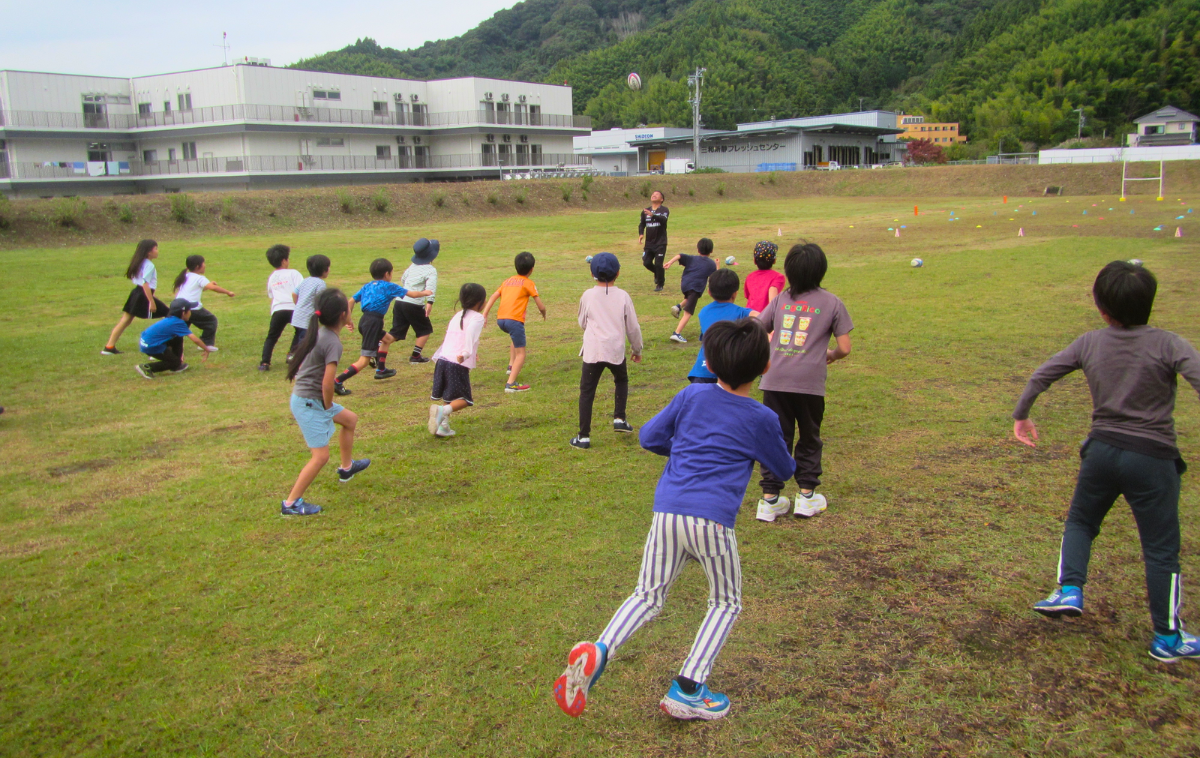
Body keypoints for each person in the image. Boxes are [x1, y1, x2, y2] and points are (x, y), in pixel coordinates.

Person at [553, 318, 795, 721]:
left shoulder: (691, 396)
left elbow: (649, 436)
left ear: (711, 365)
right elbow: (783, 469)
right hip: (712, 521)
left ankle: (600, 649)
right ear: (764, 368)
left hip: (667, 511)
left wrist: (685, 451)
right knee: (726, 602)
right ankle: (688, 688)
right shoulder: (761, 418)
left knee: (647, 594)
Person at [1014, 261, 1200, 662]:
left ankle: (1069, 588)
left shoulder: (1090, 342)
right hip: (1152, 459)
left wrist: (1022, 414)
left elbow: (1041, 375)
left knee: (1082, 520)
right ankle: (1167, 638)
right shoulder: (1170, 344)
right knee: (1161, 549)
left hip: (1100, 452)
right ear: (1150, 303)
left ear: (1101, 308)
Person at [755, 242, 853, 522]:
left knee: (777, 438)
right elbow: (845, 348)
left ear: (789, 271)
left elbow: (759, 327)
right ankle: (807, 497)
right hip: (809, 384)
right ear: (820, 271)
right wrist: (830, 355)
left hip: (774, 381)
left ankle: (769, 499)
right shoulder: (832, 302)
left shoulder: (782, 300)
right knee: (809, 436)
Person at [282, 288, 371, 516]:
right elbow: (327, 383)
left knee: (350, 420)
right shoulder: (332, 342)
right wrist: (328, 407)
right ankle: (291, 504)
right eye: (349, 308)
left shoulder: (320, 333)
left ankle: (346, 468)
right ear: (343, 315)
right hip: (311, 402)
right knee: (320, 456)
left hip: (311, 399)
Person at [571, 253, 643, 450]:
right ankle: (619, 417)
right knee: (621, 380)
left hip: (593, 350)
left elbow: (582, 322)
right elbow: (633, 327)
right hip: (615, 349)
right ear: (618, 273)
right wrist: (636, 349)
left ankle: (583, 436)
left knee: (587, 391)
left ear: (592, 273)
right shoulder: (623, 296)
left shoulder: (588, 295)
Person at [333, 258, 431, 394]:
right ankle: (337, 381)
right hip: (373, 323)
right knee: (364, 361)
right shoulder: (389, 286)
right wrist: (425, 293)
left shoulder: (367, 286)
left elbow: (351, 301)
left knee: (387, 339)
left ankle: (381, 369)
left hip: (365, 320)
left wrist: (348, 320)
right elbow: (412, 294)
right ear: (387, 274)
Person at [428, 283, 487, 438]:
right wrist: (467, 353)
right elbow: (469, 336)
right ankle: (442, 412)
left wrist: (472, 353)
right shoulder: (478, 317)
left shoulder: (458, 315)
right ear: (479, 302)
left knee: (449, 397)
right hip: (456, 363)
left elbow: (453, 337)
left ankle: (443, 426)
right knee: (465, 400)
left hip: (443, 360)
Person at [482, 252, 546, 393]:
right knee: (521, 353)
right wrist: (544, 313)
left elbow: (494, 296)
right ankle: (511, 384)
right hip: (514, 321)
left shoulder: (508, 281)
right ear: (532, 269)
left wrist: (485, 313)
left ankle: (511, 366)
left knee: (514, 338)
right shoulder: (529, 283)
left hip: (501, 320)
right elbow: (540, 305)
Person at [688, 269, 753, 385]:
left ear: (709, 292)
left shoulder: (704, 312)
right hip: (727, 373)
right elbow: (761, 317)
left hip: (701, 372)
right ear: (735, 293)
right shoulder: (741, 313)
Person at [103, 239, 167, 355]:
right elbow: (145, 284)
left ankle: (109, 347)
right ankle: (161, 347)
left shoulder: (139, 262)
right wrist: (151, 301)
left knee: (125, 320)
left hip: (136, 293)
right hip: (143, 295)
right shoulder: (149, 265)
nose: (158, 251)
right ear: (149, 252)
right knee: (170, 314)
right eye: (156, 249)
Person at [382, 237, 440, 365]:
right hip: (414, 304)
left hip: (400, 301)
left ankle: (379, 345)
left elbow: (403, 279)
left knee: (396, 331)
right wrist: (430, 302)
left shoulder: (412, 266)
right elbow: (431, 288)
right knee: (425, 330)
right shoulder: (430, 270)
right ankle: (415, 356)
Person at [134, 298, 213, 379]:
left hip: (148, 342)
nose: (190, 313)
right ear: (183, 313)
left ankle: (176, 366)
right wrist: (206, 349)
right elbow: (195, 339)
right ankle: (147, 367)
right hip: (151, 346)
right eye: (189, 310)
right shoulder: (178, 323)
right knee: (174, 362)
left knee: (178, 337)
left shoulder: (172, 319)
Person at [173, 255, 235, 350]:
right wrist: (228, 292)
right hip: (192, 308)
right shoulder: (199, 278)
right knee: (211, 321)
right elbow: (213, 288)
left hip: (178, 307)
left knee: (177, 329)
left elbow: (196, 289)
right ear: (198, 266)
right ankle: (206, 344)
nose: (205, 265)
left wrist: (209, 284)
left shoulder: (185, 276)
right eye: (203, 263)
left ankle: (165, 348)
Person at [258, 244, 304, 371]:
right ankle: (292, 354)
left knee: (272, 336)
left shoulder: (272, 276)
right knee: (300, 331)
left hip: (278, 309)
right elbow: (300, 290)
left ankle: (265, 363)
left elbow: (271, 294)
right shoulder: (294, 273)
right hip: (294, 308)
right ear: (284, 260)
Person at [664, 237, 719, 343]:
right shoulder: (711, 264)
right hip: (696, 287)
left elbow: (679, 255)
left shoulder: (692, 258)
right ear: (711, 251)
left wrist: (670, 263)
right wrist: (717, 265)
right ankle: (677, 333)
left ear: (698, 249)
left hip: (685, 284)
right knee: (688, 312)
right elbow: (716, 277)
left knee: (690, 297)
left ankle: (678, 307)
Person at [291, 254, 332, 344]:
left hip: (297, 317)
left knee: (297, 340)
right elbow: (320, 300)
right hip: (307, 320)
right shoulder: (320, 284)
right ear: (324, 270)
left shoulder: (306, 280)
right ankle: (301, 357)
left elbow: (294, 293)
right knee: (305, 343)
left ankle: (292, 357)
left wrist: (299, 305)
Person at [638, 190, 669, 291]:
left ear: (661, 199)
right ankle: (657, 273)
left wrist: (653, 215)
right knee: (646, 262)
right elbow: (642, 224)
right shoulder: (645, 211)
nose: (654, 195)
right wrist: (641, 234)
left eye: (657, 195)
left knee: (659, 264)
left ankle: (660, 284)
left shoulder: (664, 210)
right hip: (649, 243)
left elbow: (663, 220)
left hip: (660, 242)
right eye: (653, 194)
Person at [744, 241, 785, 313]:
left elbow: (748, 297)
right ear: (774, 261)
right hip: (765, 317)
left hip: (749, 317)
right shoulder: (778, 277)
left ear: (754, 260)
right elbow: (772, 302)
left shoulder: (750, 277)